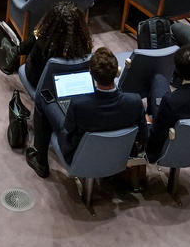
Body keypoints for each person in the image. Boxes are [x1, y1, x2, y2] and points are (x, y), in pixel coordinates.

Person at [25, 47, 147, 178]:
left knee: (44, 98)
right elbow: (143, 135)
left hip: (78, 156)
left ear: (91, 73)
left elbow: (67, 132)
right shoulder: (135, 101)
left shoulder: (79, 105)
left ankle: (40, 160)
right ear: (117, 71)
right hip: (119, 155)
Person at [15, 2, 93, 90]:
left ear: (50, 20)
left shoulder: (41, 43)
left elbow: (23, 49)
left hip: (41, 84)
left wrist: (36, 35)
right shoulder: (84, 42)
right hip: (71, 82)